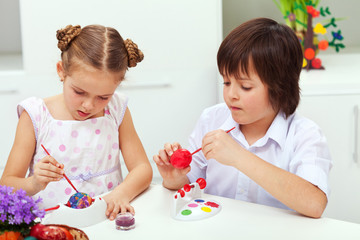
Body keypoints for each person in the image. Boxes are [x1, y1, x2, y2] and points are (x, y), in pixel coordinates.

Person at [153, 18, 332, 218]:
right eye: (227, 82)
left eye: (245, 86)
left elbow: (315, 204)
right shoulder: (211, 119)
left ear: (280, 89)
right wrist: (174, 179)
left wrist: (239, 157)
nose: (231, 95)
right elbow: (190, 186)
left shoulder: (305, 135)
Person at [0, 24, 152, 220]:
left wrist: (121, 194)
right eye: (79, 92)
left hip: (105, 220)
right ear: (61, 71)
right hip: (52, 225)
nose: (88, 105)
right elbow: (7, 185)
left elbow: (142, 168)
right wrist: (34, 183)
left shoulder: (116, 109)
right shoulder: (36, 115)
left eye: (103, 97)